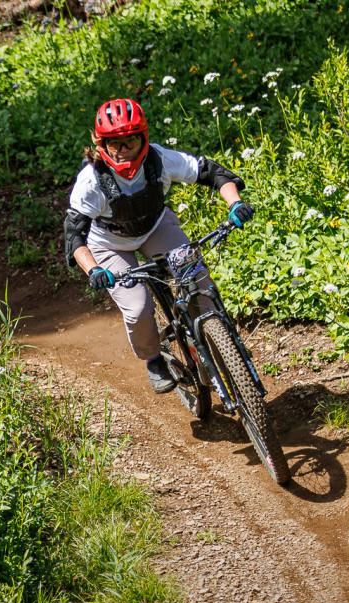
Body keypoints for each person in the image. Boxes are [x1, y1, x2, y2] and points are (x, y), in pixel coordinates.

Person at [63, 98, 254, 394]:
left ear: (144, 138)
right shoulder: (91, 181)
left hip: (155, 227)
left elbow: (212, 172)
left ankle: (223, 339)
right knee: (138, 308)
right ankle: (153, 359)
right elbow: (75, 235)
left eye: (131, 141)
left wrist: (236, 203)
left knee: (197, 280)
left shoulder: (159, 159)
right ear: (101, 144)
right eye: (115, 144)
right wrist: (94, 270)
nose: (124, 150)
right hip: (110, 245)